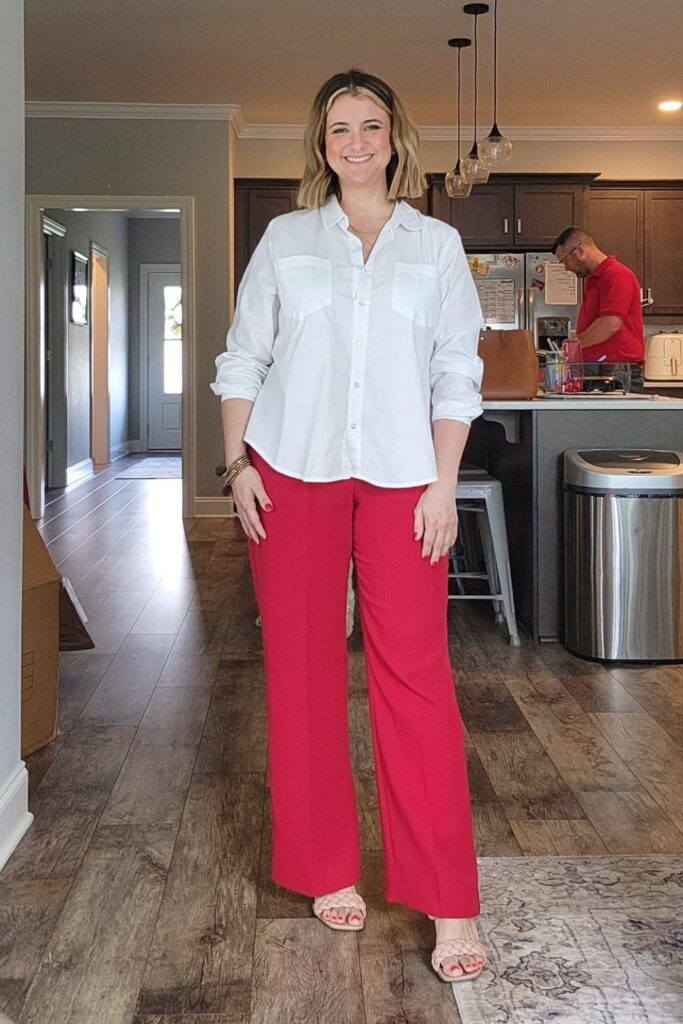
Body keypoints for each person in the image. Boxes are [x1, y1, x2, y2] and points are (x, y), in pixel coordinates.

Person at [212, 69, 486, 985]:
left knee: (416, 678)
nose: (356, 140)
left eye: (371, 125)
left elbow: (456, 371)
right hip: (292, 475)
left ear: (394, 137)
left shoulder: (436, 246)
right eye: (340, 126)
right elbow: (242, 356)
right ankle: (325, 865)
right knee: (302, 670)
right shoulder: (287, 239)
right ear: (321, 142)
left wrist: (443, 484)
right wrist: (239, 464)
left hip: (408, 480)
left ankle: (448, 899)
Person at [552, 227, 645, 363]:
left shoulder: (616, 275)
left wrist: (573, 345)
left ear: (580, 251)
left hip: (616, 369)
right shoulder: (593, 280)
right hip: (602, 367)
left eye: (566, 261)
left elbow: (610, 323)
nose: (566, 268)